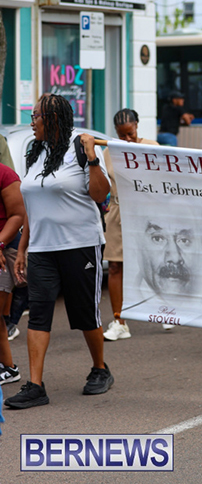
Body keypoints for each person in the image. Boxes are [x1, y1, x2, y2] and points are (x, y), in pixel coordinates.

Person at [5, 94, 112, 410]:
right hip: (41, 247)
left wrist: (92, 157)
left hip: (80, 245)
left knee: (84, 313)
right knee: (38, 313)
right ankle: (36, 386)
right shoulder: (34, 153)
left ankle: (100, 368)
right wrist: (23, 247)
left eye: (35, 116)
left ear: (51, 118)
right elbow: (31, 206)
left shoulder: (80, 148)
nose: (31, 121)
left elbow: (100, 194)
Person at [102, 109, 159, 342]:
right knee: (115, 267)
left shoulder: (152, 147)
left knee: (156, 262)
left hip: (148, 212)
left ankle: (164, 310)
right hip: (118, 212)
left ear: (137, 126)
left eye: (130, 133)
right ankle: (119, 321)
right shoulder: (109, 152)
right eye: (121, 135)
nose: (126, 139)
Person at [0, 161, 25, 387]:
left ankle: (8, 367)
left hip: (5, 247)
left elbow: (17, 215)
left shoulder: (5, 175)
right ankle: (7, 366)